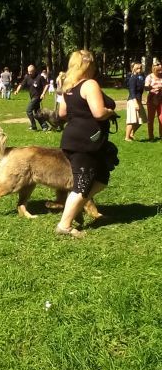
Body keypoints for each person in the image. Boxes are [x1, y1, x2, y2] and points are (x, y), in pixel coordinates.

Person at [56, 50, 118, 238]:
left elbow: (62, 114)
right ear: (89, 65)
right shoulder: (89, 84)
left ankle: (75, 204)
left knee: (101, 177)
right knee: (83, 184)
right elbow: (98, 113)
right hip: (86, 141)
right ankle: (64, 225)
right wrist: (110, 112)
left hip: (73, 138)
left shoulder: (69, 87)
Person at [14, 64, 49, 130]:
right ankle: (45, 126)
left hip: (37, 97)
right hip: (32, 97)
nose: (29, 73)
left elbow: (47, 85)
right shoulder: (27, 77)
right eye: (28, 71)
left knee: (28, 110)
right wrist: (17, 90)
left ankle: (33, 126)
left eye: (31, 71)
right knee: (37, 113)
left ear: (34, 71)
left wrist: (43, 93)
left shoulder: (40, 77)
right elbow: (21, 84)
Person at [125, 62, 147, 141]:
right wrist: (135, 103)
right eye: (137, 68)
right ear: (134, 69)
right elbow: (132, 91)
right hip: (132, 101)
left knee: (142, 119)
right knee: (132, 120)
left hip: (138, 100)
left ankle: (131, 134)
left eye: (140, 68)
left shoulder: (140, 78)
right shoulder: (133, 78)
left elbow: (141, 89)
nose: (139, 69)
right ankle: (127, 137)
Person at [144, 62, 162, 141]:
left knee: (161, 118)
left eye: (161, 70)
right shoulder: (149, 77)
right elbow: (146, 88)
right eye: (158, 71)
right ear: (154, 69)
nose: (160, 72)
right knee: (151, 119)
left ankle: (161, 135)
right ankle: (151, 136)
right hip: (152, 98)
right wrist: (151, 87)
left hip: (161, 98)